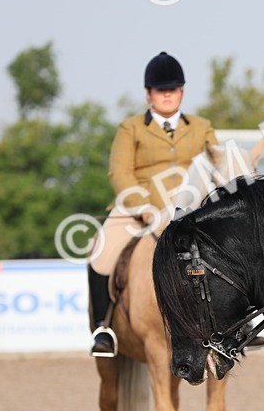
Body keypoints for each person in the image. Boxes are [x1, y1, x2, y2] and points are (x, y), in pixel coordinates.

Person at [88, 51, 218, 357]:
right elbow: (119, 172)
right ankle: (103, 328)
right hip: (140, 209)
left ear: (182, 92)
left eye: (173, 89)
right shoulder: (130, 128)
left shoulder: (202, 127)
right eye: (162, 90)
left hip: (192, 211)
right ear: (149, 94)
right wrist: (142, 205)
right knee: (101, 251)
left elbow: (217, 166)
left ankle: (235, 326)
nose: (168, 95)